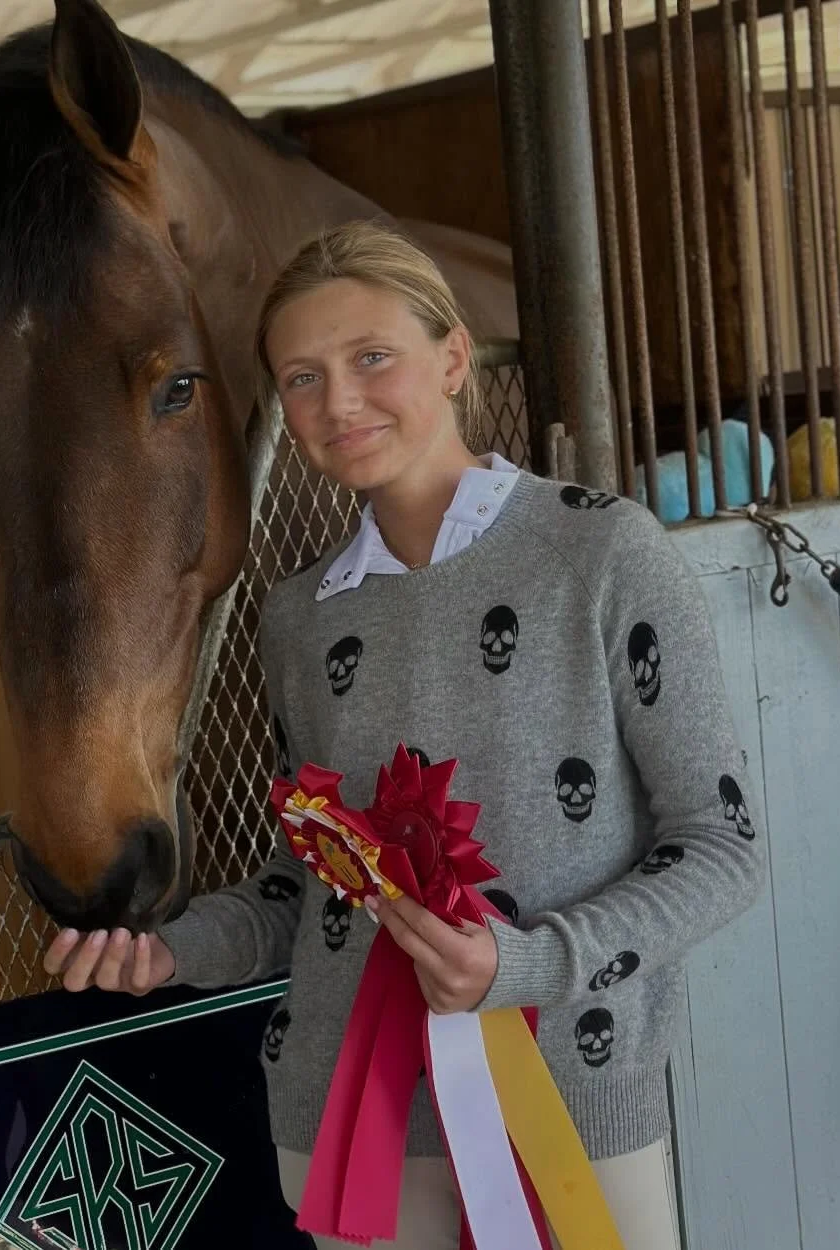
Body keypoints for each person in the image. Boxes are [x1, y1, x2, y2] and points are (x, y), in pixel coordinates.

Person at [43, 220, 765, 1250]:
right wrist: (169, 950)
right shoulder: (300, 618)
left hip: (570, 1114)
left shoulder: (604, 553)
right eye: (302, 378)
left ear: (454, 357)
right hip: (350, 1128)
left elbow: (722, 848)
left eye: (371, 357)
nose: (338, 403)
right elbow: (309, 886)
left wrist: (525, 963)